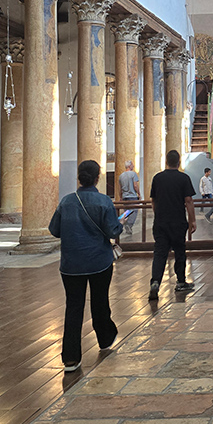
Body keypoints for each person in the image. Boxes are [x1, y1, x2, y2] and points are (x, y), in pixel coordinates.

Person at [49, 160, 123, 373]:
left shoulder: (67, 201)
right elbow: (112, 231)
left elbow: (54, 230)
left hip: (71, 264)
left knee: (73, 307)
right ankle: (105, 339)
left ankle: (71, 358)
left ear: (79, 177)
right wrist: (121, 224)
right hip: (99, 261)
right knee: (100, 301)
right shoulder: (103, 201)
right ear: (98, 178)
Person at [148, 149, 197, 300]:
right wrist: (192, 220)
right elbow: (188, 201)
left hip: (161, 222)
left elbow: (153, 201)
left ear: (166, 162)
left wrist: (158, 215)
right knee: (180, 252)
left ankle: (155, 282)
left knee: (160, 253)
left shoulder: (157, 178)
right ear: (179, 162)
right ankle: (181, 282)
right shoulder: (183, 178)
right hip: (178, 222)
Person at [117, 160, 140, 235]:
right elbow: (135, 185)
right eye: (132, 165)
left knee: (127, 211)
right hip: (132, 196)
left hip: (125, 196)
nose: (133, 166)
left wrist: (120, 197)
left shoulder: (121, 176)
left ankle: (120, 221)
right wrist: (139, 194)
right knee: (134, 211)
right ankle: (129, 224)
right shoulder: (133, 174)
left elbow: (120, 188)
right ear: (129, 166)